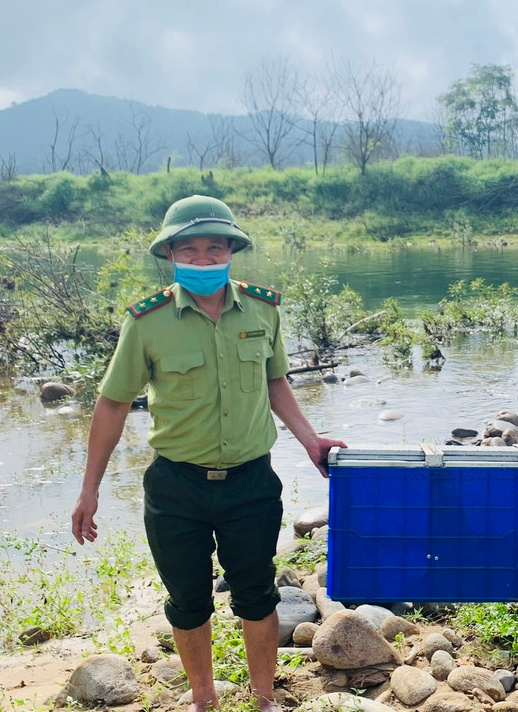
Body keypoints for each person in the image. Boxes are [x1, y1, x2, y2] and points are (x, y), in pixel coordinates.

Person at [71, 195, 345, 712]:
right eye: (189, 250)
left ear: (230, 251)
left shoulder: (262, 309)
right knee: (188, 601)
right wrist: (89, 489)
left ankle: (263, 699)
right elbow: (110, 405)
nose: (202, 259)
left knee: (258, 595)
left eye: (213, 248)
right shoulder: (147, 322)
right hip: (177, 486)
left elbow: (275, 382)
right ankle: (204, 700)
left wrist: (311, 439)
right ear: (171, 254)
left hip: (251, 482)